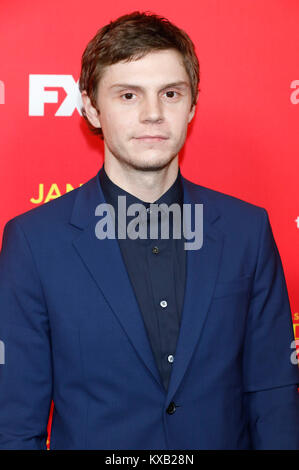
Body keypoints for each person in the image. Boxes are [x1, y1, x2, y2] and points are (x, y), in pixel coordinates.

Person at [0, 11, 298, 450]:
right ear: (91, 108)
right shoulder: (33, 242)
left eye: (171, 93)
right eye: (128, 95)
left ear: (192, 105)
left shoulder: (246, 232)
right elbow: (16, 421)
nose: (154, 113)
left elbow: (272, 397)